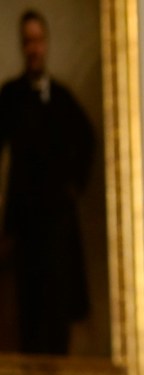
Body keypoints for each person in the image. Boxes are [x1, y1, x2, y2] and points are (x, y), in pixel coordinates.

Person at [0, 9, 94, 355]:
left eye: (38, 40)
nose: (34, 48)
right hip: (23, 228)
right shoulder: (9, 97)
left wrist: (73, 187)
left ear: (46, 44)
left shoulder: (63, 99)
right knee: (26, 310)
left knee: (57, 308)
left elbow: (88, 141)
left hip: (57, 226)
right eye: (28, 42)